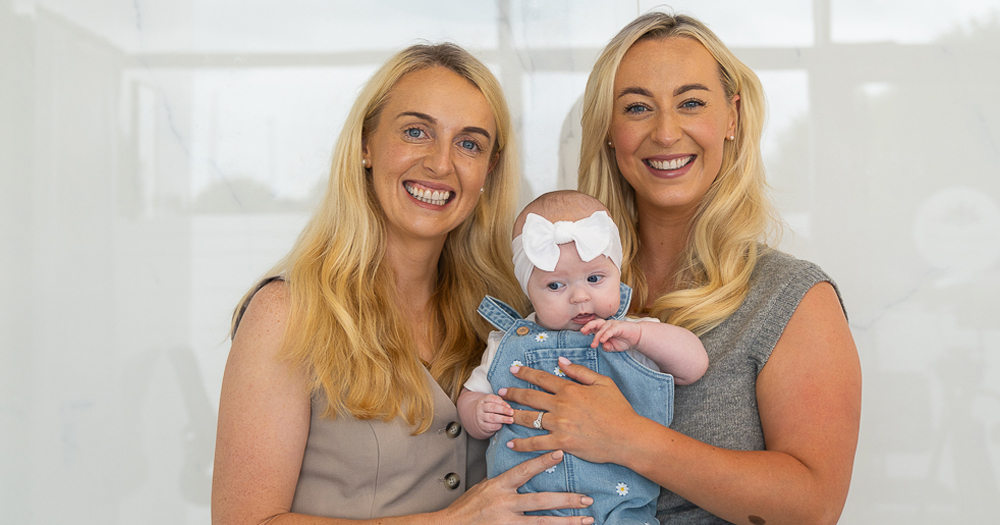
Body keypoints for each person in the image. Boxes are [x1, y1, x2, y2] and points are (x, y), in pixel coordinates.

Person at [499, 13, 863, 525]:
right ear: (608, 128)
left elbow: (813, 506)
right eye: (638, 108)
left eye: (691, 103)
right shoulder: (549, 282)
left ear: (732, 117)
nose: (666, 132)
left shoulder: (792, 297)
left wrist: (629, 439)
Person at [211, 43, 596, 525]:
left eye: (470, 144)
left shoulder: (504, 314)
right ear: (366, 145)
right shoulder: (286, 313)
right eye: (416, 132)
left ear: (488, 171)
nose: (440, 163)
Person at [457, 190, 708, 524]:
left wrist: (642, 335)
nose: (579, 296)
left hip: (620, 510)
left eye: (594, 279)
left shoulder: (635, 334)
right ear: (528, 290)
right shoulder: (506, 343)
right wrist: (477, 412)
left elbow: (694, 365)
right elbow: (471, 395)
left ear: (617, 274)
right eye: (555, 286)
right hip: (526, 511)